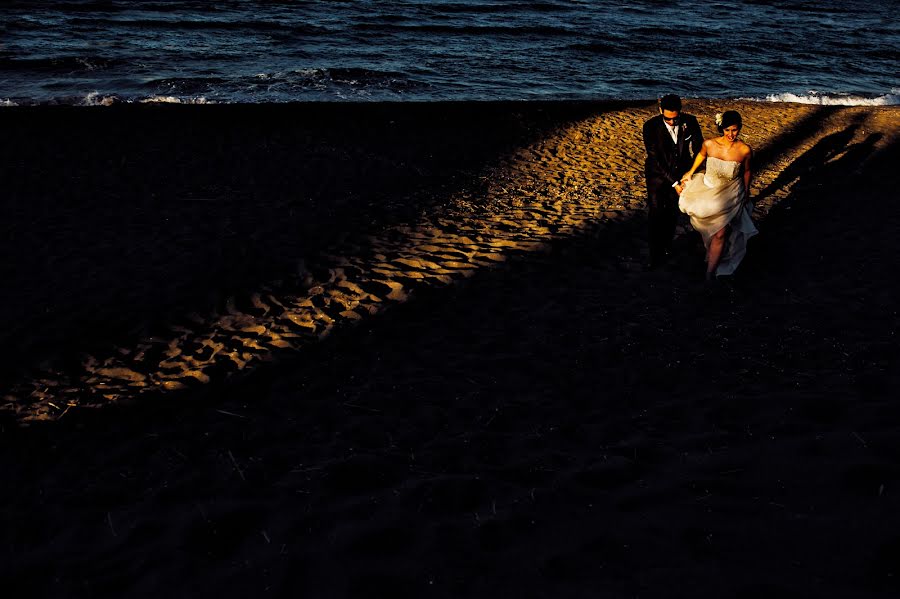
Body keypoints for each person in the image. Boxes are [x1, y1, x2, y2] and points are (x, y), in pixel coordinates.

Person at [678, 110, 758, 280]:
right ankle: (709, 252)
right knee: (706, 227)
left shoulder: (744, 150)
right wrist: (690, 172)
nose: (731, 134)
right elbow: (701, 154)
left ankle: (710, 273)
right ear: (721, 128)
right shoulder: (709, 144)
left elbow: (747, 171)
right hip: (708, 188)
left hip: (730, 192)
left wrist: (746, 191)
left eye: (735, 130)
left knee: (720, 232)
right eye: (727, 130)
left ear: (740, 129)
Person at [642, 94, 704, 268]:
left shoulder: (690, 121)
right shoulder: (650, 126)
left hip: (683, 173)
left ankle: (667, 247)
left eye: (675, 119)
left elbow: (699, 148)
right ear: (661, 111)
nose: (671, 122)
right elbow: (655, 159)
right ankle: (655, 256)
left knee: (672, 212)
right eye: (667, 119)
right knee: (656, 214)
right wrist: (674, 183)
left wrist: (691, 172)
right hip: (657, 176)